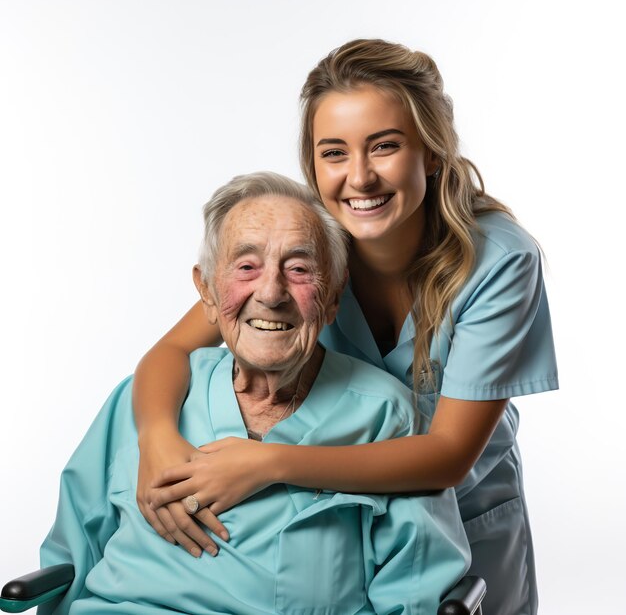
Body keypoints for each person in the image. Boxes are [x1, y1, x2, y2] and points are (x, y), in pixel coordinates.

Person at [133, 40, 558, 615]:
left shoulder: (499, 261)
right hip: (330, 526)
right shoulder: (305, 247)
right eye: (334, 153)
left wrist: (269, 464)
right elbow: (175, 348)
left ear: (431, 153)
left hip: (461, 515)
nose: (359, 177)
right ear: (312, 164)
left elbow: (448, 454)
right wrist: (157, 440)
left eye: (384, 147)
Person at [38, 172, 470, 615]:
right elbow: (70, 556)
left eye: (299, 269)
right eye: (246, 266)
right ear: (206, 289)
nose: (270, 292)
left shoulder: (385, 415)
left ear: (334, 295)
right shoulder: (152, 400)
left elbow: (415, 587)